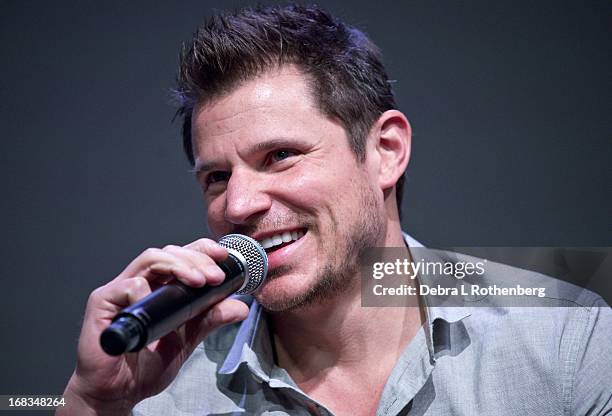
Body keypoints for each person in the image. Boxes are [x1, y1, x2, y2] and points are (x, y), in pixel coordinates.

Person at [59, 5, 611, 415]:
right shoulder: (160, 392)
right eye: (217, 177)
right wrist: (90, 402)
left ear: (385, 151)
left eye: (280, 156)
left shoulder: (567, 340)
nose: (239, 204)